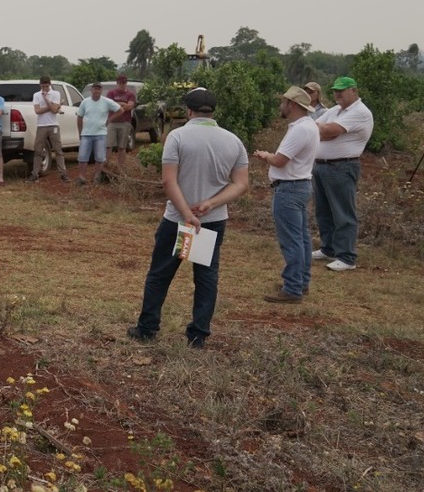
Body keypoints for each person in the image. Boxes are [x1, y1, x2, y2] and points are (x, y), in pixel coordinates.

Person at [127, 88, 249, 349]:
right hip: (212, 220)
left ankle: (147, 328)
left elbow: (168, 181)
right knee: (206, 278)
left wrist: (186, 214)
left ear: (188, 110)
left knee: (160, 274)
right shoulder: (233, 141)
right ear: (213, 110)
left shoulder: (178, 136)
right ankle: (198, 335)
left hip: (177, 220)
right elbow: (241, 184)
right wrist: (210, 204)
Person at [253, 87, 320, 303]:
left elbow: (280, 160)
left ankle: (292, 288)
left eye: (283, 102)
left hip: (289, 188)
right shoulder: (308, 125)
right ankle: (300, 282)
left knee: (292, 240)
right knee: (301, 237)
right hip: (300, 185)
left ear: (292, 104)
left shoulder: (300, 129)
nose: (280, 106)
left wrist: (266, 155)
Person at [311, 76, 374, 271]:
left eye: (342, 90)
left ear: (354, 90)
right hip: (321, 165)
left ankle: (346, 256)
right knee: (324, 210)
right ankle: (328, 248)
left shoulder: (360, 112)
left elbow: (330, 129)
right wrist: (325, 133)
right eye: (336, 90)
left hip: (342, 166)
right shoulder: (335, 110)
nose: (337, 93)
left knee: (343, 212)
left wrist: (326, 132)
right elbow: (312, 128)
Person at [75, 83, 121, 185]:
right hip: (86, 134)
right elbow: (79, 117)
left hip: (100, 134)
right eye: (95, 89)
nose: (96, 91)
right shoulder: (85, 102)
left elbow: (120, 110)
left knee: (100, 157)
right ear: (92, 90)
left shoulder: (106, 101)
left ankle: (97, 177)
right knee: (82, 156)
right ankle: (81, 177)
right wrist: (80, 132)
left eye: (98, 89)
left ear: (101, 90)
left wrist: (110, 119)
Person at [27, 75, 69, 182]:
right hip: (41, 125)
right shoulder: (36, 95)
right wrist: (53, 106)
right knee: (38, 150)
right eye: (43, 86)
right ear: (40, 85)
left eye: (46, 86)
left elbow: (55, 110)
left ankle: (63, 174)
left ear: (49, 84)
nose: (44, 88)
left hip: (53, 124)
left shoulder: (55, 94)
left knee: (58, 149)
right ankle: (35, 173)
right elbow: (37, 111)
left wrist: (46, 99)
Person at [106, 74, 138, 170]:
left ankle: (121, 168)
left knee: (122, 147)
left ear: (126, 83)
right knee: (108, 146)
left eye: (123, 82)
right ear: (117, 83)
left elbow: (130, 106)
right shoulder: (111, 93)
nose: (122, 84)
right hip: (112, 122)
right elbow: (109, 105)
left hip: (125, 122)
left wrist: (117, 105)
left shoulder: (131, 94)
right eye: (120, 83)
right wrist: (123, 104)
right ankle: (105, 166)